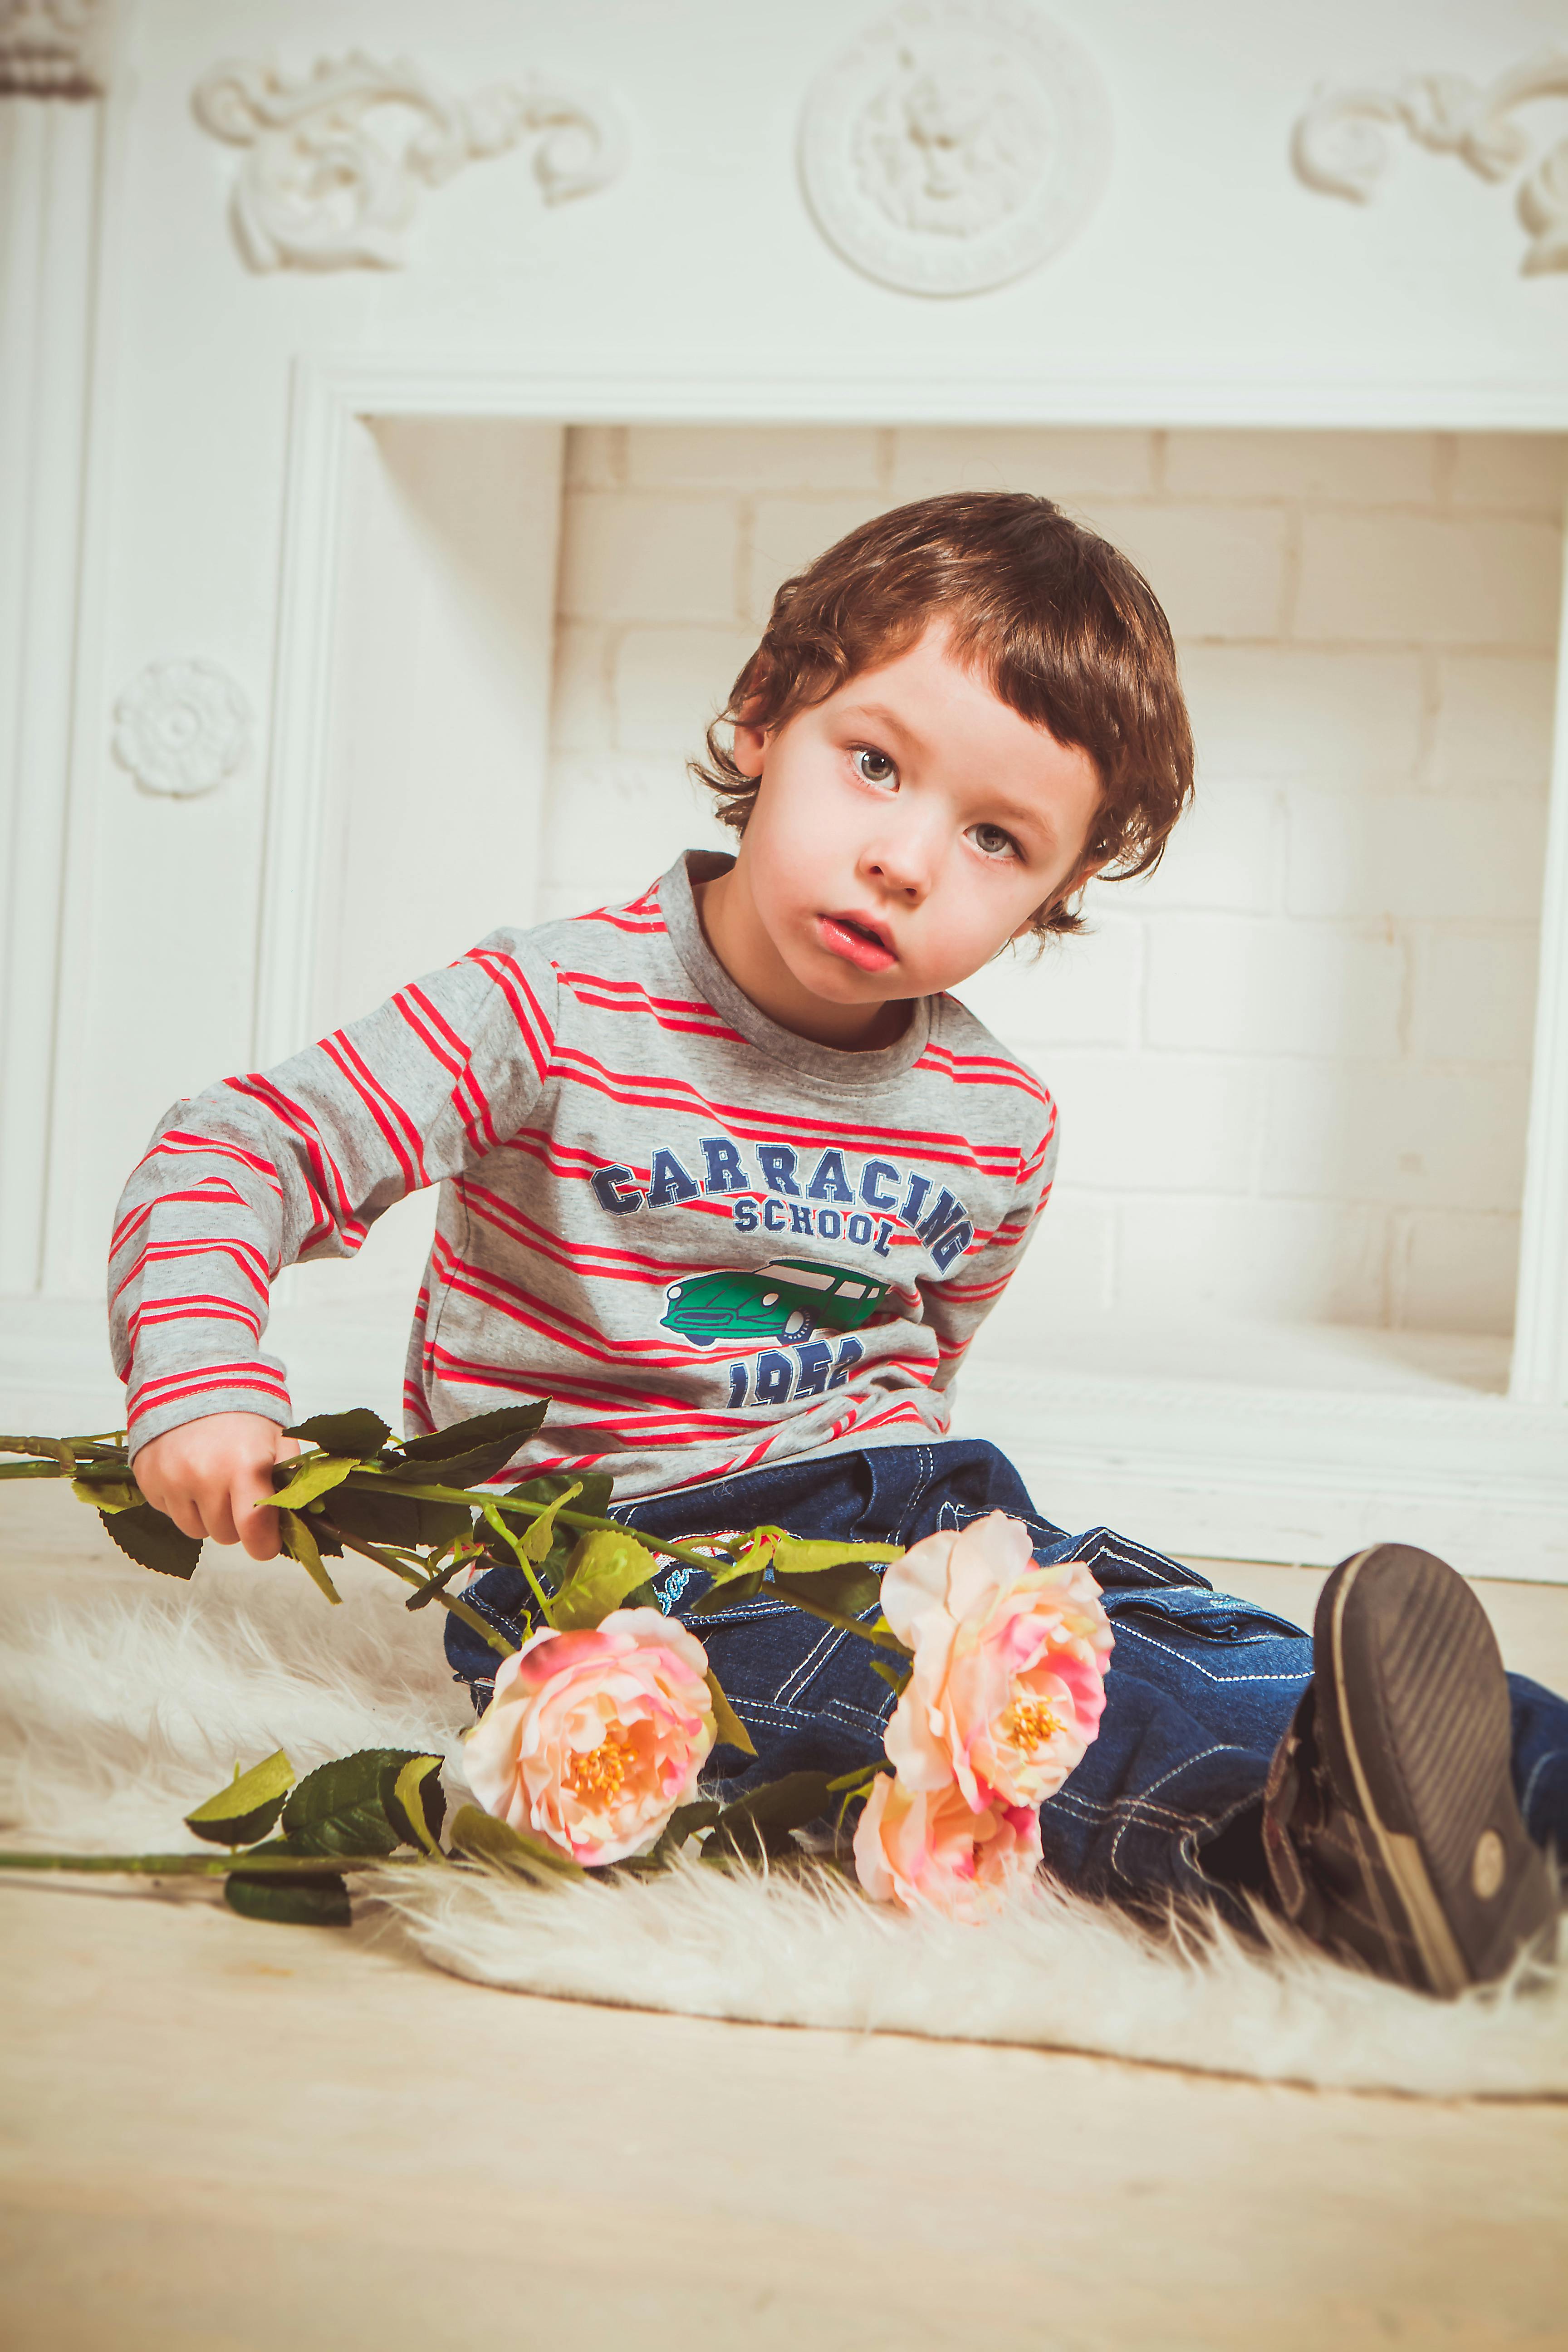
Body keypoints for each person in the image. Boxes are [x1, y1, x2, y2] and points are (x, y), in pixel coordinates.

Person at [114, 492, 1563, 1995]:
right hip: (626, 1570)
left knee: (1209, 1644)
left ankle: (1513, 1792)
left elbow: (925, 1353)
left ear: (1051, 901)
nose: (907, 858)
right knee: (954, 1710)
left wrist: (961, 1552)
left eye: (995, 840)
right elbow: (236, 1146)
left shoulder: (994, 1116)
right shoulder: (547, 1011)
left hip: (925, 1512)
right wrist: (204, 1379)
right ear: (759, 716)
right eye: (875, 765)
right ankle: (1286, 1852)